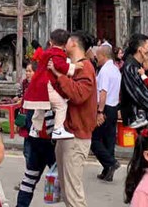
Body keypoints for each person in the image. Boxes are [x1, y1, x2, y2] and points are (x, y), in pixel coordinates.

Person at [48, 31, 98, 207]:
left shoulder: (85, 67)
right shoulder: (74, 66)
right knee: (67, 189)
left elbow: (79, 94)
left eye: (67, 41)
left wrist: (59, 75)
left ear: (74, 44)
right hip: (68, 133)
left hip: (77, 135)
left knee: (73, 192)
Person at [24, 29, 77, 139]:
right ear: (65, 43)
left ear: (51, 42)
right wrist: (74, 67)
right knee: (61, 105)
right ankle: (58, 129)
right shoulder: (57, 54)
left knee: (41, 106)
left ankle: (35, 128)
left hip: (38, 83)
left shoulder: (46, 52)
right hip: (46, 85)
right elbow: (60, 66)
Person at [91, 44, 122, 182]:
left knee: (94, 140)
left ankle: (110, 162)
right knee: (109, 140)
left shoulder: (104, 71)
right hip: (113, 107)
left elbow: (103, 93)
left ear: (103, 56)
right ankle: (107, 170)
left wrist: (99, 112)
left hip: (104, 108)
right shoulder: (115, 69)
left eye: (97, 56)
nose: (96, 58)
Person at [120, 34, 148, 128]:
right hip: (137, 119)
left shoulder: (140, 66)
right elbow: (139, 94)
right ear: (140, 49)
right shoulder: (130, 67)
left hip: (146, 116)